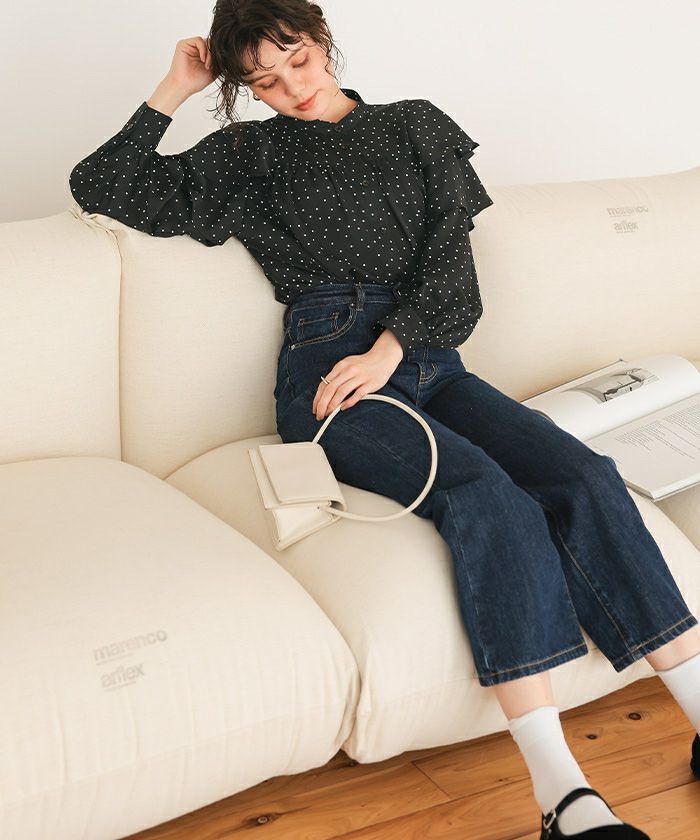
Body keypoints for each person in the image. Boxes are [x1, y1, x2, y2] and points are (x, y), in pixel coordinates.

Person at [68, 2, 700, 836]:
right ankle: (563, 795)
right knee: (487, 496)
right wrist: (174, 88)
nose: (290, 88)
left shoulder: (415, 126)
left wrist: (392, 349)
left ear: (323, 41)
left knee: (582, 475)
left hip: (429, 360)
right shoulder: (248, 154)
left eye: (297, 61)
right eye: (263, 81)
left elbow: (453, 267)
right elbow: (103, 185)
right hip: (328, 375)